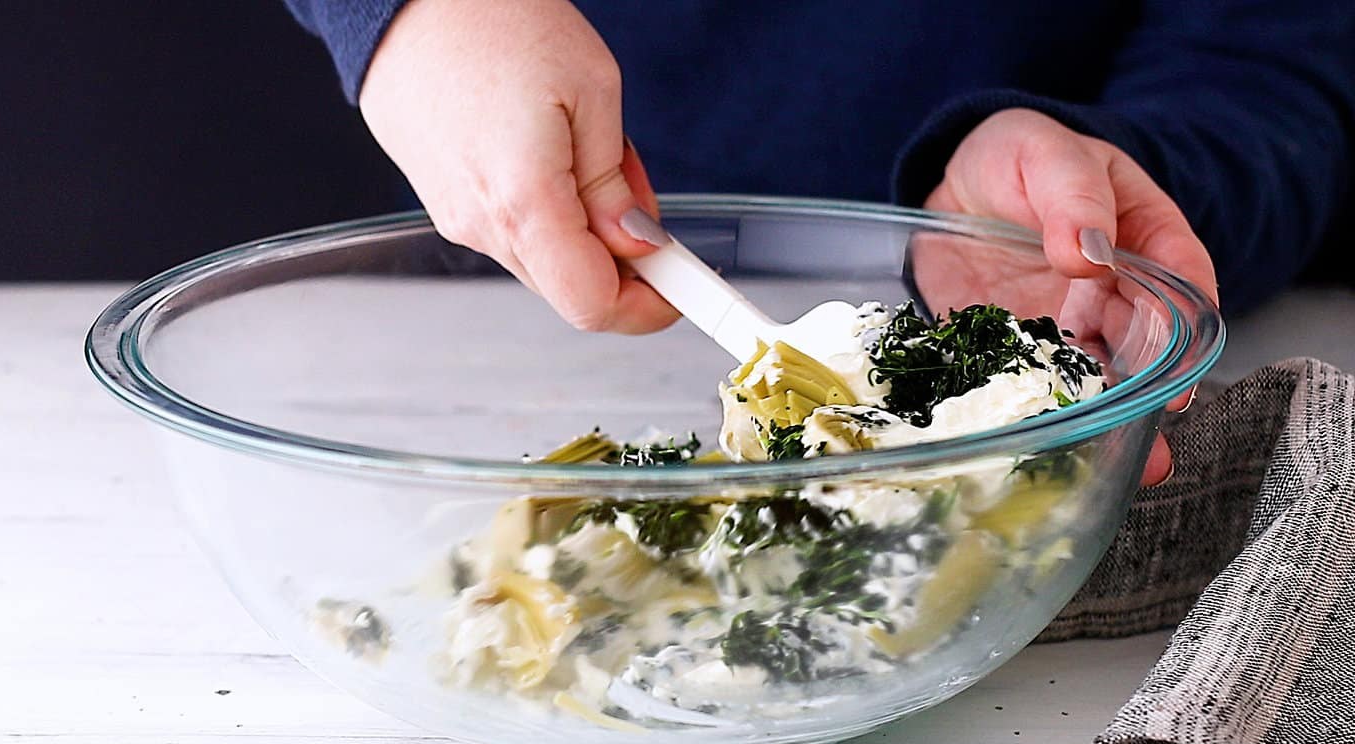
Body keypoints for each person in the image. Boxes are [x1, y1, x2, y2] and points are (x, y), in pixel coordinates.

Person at [283, 0, 1353, 482]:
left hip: (998, 256)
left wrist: (1120, 181)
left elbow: (1268, 62)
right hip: (434, 325)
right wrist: (404, 11)